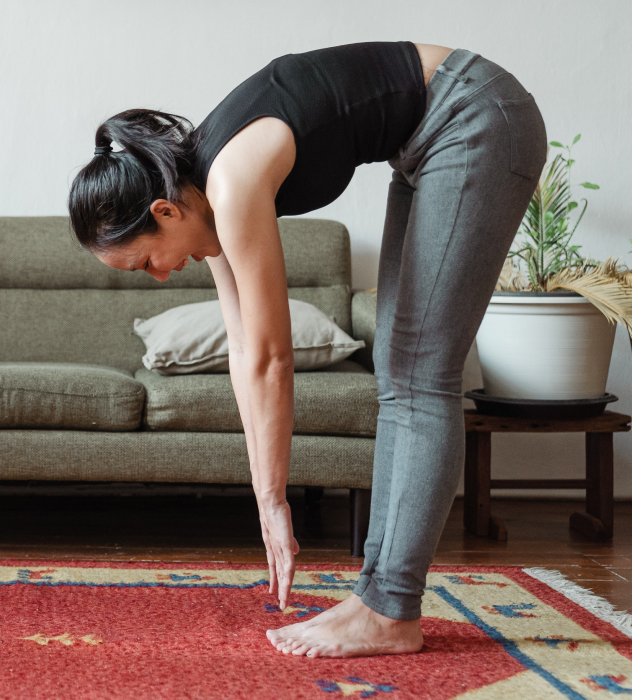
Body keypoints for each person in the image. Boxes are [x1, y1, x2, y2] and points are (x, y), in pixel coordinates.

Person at [68, 43, 546, 657]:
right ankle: (380, 601)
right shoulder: (202, 199)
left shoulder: (231, 183)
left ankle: (390, 611)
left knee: (420, 374)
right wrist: (263, 495)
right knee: (401, 372)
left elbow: (273, 359)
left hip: (475, 115)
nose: (159, 276)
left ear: (164, 211)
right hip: (430, 139)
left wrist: (276, 504)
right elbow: (244, 349)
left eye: (144, 263)